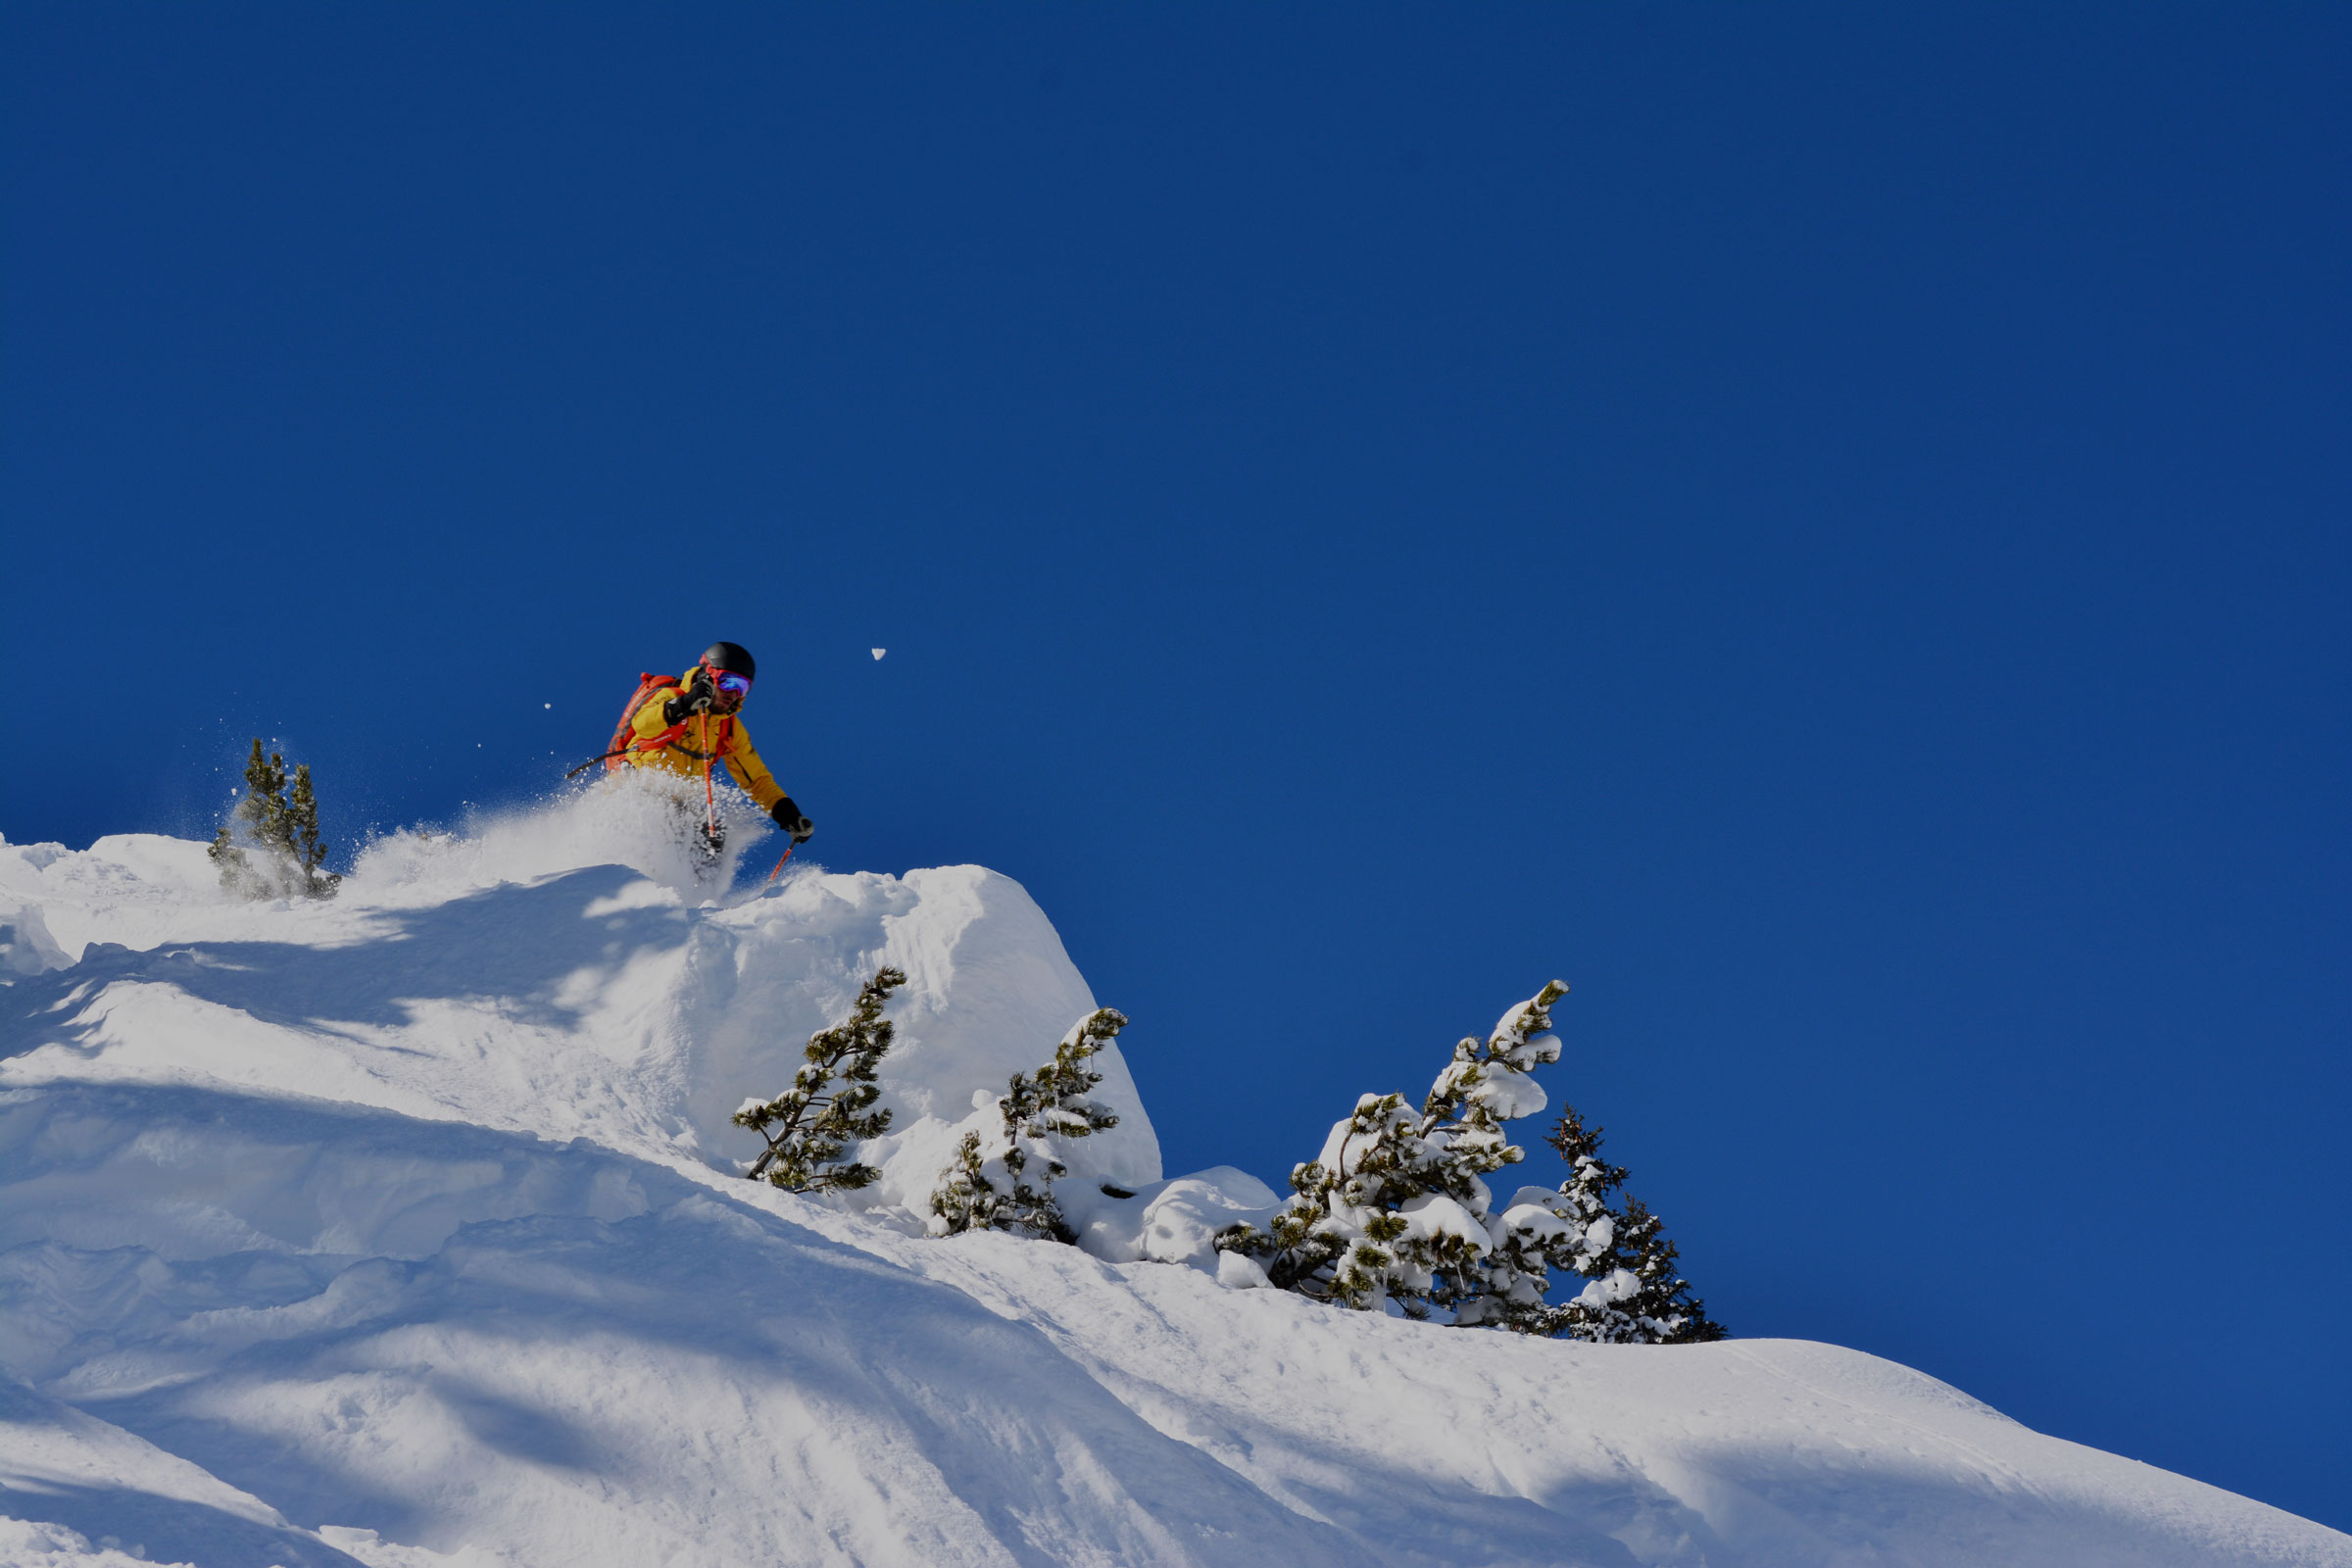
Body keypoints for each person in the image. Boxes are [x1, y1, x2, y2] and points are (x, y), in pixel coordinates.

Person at [609, 641, 812, 852]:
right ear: (708, 675)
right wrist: (684, 704)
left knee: (712, 837)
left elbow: (756, 780)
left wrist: (788, 815)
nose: (733, 692)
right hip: (638, 789)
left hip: (680, 804)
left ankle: (693, 884)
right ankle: (629, 873)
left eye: (742, 687)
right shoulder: (672, 697)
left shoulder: (728, 728)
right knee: (666, 818)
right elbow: (642, 725)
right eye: (727, 681)